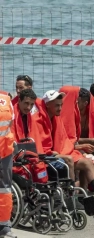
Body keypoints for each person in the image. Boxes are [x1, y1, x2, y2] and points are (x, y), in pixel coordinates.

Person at [41, 90, 94, 183]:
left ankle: (88, 189)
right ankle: (78, 190)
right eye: (75, 101)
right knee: (88, 163)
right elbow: (55, 145)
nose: (60, 108)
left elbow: (66, 142)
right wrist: (87, 143)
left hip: (74, 150)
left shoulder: (60, 118)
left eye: (61, 105)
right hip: (62, 154)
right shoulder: (62, 118)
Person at [0, 90, 17, 238]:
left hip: (4, 152)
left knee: (4, 191)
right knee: (4, 190)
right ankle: (5, 227)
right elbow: (11, 123)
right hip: (4, 153)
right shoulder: (6, 100)